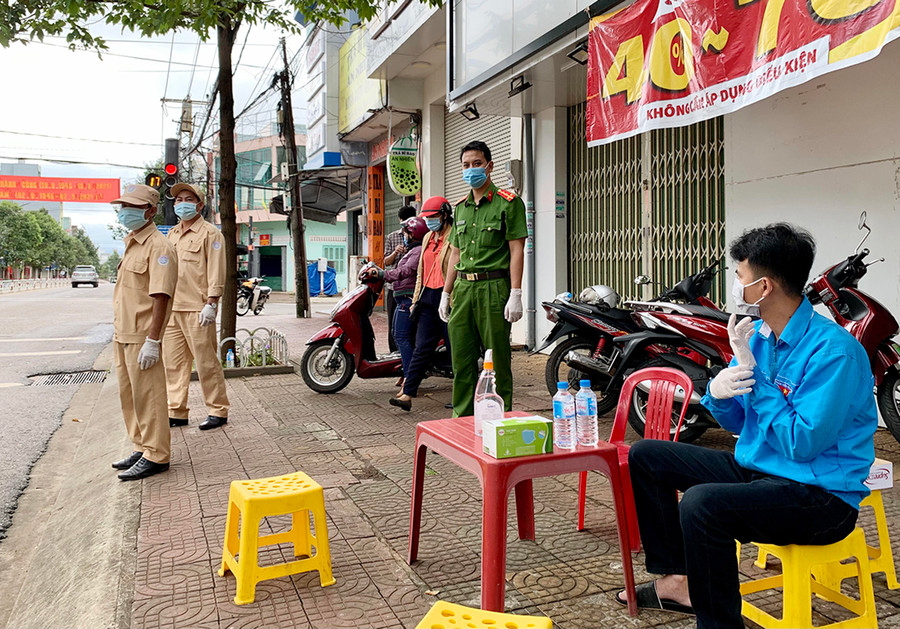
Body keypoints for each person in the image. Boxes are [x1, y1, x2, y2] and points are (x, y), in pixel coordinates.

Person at [618, 223, 878, 629]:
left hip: (820, 495)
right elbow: (741, 420)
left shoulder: (834, 352)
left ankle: (719, 624)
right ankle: (678, 581)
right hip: (761, 469)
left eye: (739, 276)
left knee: (702, 505)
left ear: (765, 287)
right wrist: (719, 393)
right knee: (647, 455)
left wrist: (758, 383)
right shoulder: (756, 335)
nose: (735, 286)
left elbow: (801, 442)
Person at [438, 141, 527, 417]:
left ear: (489, 166)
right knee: (461, 360)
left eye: (476, 164)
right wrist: (446, 292)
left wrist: (515, 293)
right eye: (466, 166)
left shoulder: (508, 204)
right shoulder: (460, 208)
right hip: (463, 289)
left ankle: (501, 420)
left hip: (493, 288)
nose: (471, 170)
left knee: (497, 358)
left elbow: (517, 249)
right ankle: (461, 420)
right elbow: (455, 252)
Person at [108, 184, 179, 481]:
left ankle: (157, 454)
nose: (124, 212)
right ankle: (141, 445)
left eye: (132, 207)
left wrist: (153, 340)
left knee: (148, 396)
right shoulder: (132, 241)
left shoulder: (159, 247)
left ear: (150, 212)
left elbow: (160, 295)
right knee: (130, 395)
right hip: (123, 332)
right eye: (123, 206)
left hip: (142, 335)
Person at [162, 183, 230, 431]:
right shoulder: (171, 235)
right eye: (178, 199)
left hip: (198, 308)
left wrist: (212, 302)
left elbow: (216, 269)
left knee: (206, 362)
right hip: (173, 309)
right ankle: (176, 411)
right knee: (173, 364)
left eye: (188, 199)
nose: (182, 203)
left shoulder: (211, 234)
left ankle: (217, 410)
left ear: (200, 205)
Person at [390, 197, 454, 411]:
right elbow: (420, 273)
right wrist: (416, 299)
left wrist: (449, 296)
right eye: (427, 218)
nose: (430, 222)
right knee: (421, 348)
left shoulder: (455, 236)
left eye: (433, 217)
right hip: (428, 298)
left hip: (449, 298)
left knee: (456, 350)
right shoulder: (428, 238)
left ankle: (466, 396)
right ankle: (408, 394)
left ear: (445, 215)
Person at [381, 216, 426, 394]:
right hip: (402, 297)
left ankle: (409, 377)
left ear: (413, 233)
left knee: (401, 336)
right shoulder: (411, 250)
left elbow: (406, 271)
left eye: (406, 232)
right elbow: (388, 261)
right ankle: (407, 374)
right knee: (398, 335)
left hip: (408, 298)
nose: (404, 235)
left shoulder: (417, 251)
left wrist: (383, 274)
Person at [384, 205, 417, 355]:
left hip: (412, 289)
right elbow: (386, 262)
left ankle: (409, 357)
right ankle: (394, 355)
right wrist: (396, 253)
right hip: (394, 287)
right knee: (393, 324)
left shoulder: (418, 236)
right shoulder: (392, 237)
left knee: (409, 327)